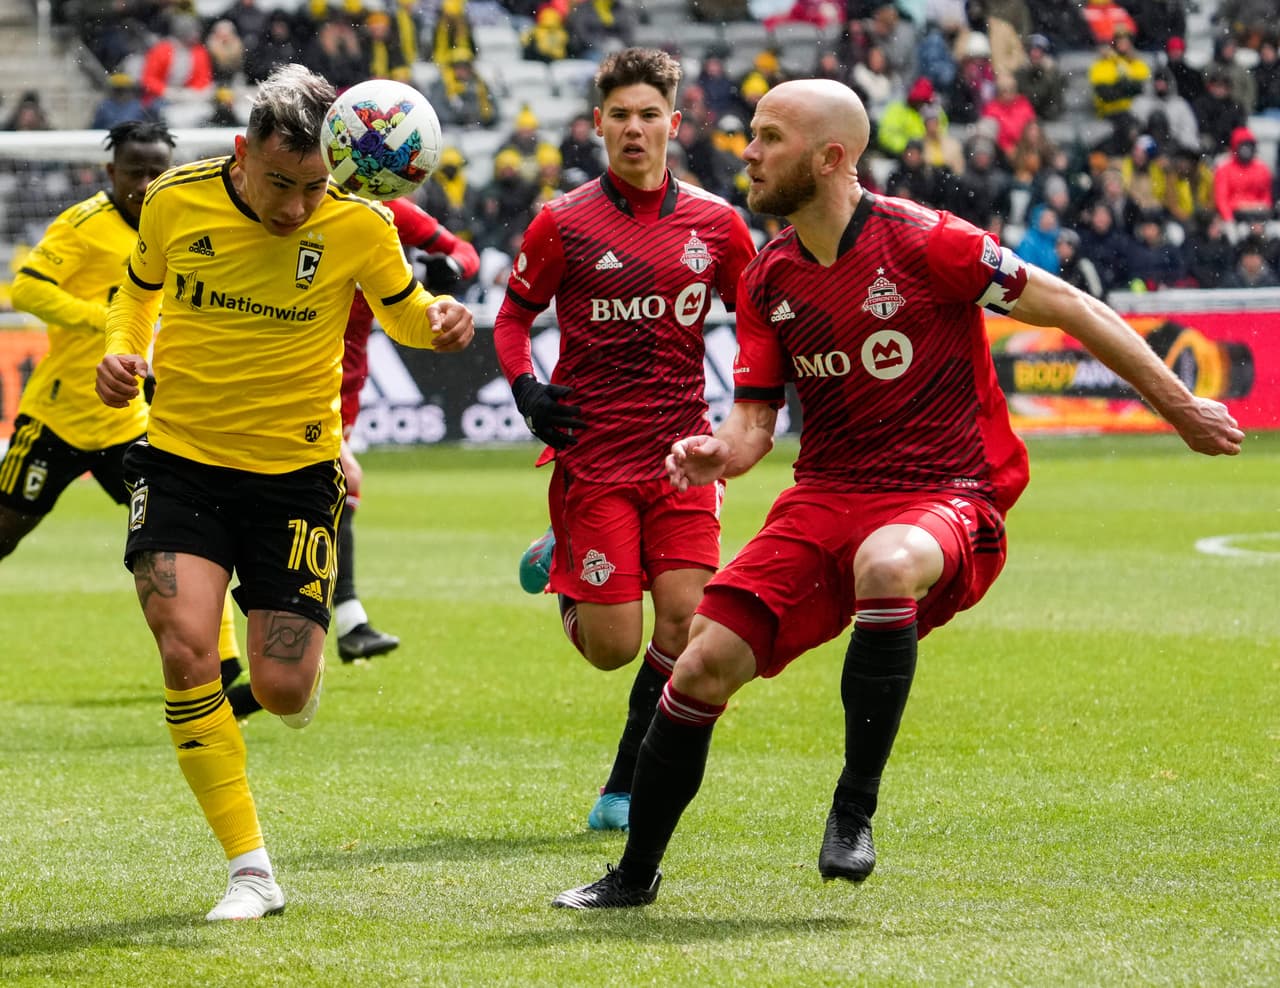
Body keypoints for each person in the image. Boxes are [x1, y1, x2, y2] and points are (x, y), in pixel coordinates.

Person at [552, 77, 1243, 909]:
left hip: (945, 490)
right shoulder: (770, 276)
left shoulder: (931, 242)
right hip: (825, 496)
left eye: (770, 137)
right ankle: (633, 877)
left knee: (885, 566)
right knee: (700, 664)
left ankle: (854, 806)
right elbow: (752, 426)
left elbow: (1070, 306)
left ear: (831, 157)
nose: (748, 151)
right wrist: (717, 455)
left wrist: (1180, 407)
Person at [94, 64, 475, 922]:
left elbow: (407, 313)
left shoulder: (361, 221)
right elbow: (137, 289)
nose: (297, 207)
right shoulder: (174, 199)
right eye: (279, 183)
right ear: (242, 152)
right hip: (182, 458)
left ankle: (269, 654)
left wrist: (444, 322)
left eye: (313, 187)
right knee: (185, 645)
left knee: (283, 690)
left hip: (297, 475)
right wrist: (120, 350)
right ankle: (250, 870)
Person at [493, 48, 756, 834]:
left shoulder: (717, 224)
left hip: (682, 453)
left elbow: (760, 322)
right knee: (613, 646)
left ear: (673, 125)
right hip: (595, 458)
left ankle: (627, 781)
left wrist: (751, 411)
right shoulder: (563, 222)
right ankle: (565, 561)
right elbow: (512, 319)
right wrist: (527, 389)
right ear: (597, 125)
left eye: (649, 116)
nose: (634, 129)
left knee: (686, 623)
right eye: (619, 116)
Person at [3, 120, 247, 691]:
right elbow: (27, 289)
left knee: (185, 536)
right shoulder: (84, 224)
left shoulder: (182, 221)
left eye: (156, 170)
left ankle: (228, 664)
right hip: (59, 414)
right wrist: (104, 318)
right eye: (134, 171)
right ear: (111, 172)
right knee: (5, 533)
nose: (145, 182)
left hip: (132, 421)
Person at [226, 196, 481, 719]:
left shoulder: (386, 212)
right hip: (277, 382)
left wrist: (452, 269)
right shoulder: (288, 206)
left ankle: (301, 636)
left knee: (315, 499)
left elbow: (463, 251)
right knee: (337, 485)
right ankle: (332, 625)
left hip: (341, 391)